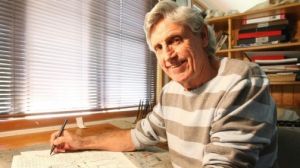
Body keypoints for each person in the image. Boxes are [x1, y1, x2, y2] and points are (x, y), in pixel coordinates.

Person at [50, 0, 277, 167]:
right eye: (158, 47)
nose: (167, 56)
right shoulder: (170, 92)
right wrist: (79, 141)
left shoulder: (242, 80)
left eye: (175, 40)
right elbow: (134, 137)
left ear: (203, 37)